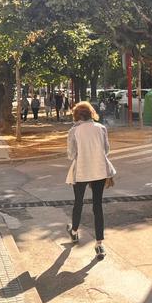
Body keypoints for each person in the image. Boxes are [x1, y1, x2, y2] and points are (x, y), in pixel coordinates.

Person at [66, 101, 116, 258]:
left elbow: (71, 154)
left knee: (78, 202)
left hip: (81, 170)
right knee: (97, 206)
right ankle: (99, 244)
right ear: (91, 113)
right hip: (99, 170)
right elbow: (106, 150)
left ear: (76, 115)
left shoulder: (74, 131)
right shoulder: (101, 128)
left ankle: (74, 231)